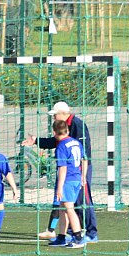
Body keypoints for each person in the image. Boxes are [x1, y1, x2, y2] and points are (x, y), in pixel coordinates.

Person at [24, 101, 97, 243]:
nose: (53, 118)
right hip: (69, 172)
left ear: (64, 113)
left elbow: (84, 152)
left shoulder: (78, 125)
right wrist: (36, 141)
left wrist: (83, 175)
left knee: (82, 200)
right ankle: (67, 233)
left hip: (78, 170)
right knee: (66, 204)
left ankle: (91, 232)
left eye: (55, 115)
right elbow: (55, 141)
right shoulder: (63, 132)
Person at [49, 121, 88, 249]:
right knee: (63, 208)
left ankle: (78, 237)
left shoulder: (61, 146)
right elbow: (85, 159)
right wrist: (83, 176)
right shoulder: (76, 142)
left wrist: (59, 187)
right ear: (67, 130)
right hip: (76, 178)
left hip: (68, 180)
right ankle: (61, 237)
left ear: (54, 132)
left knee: (69, 208)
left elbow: (63, 168)